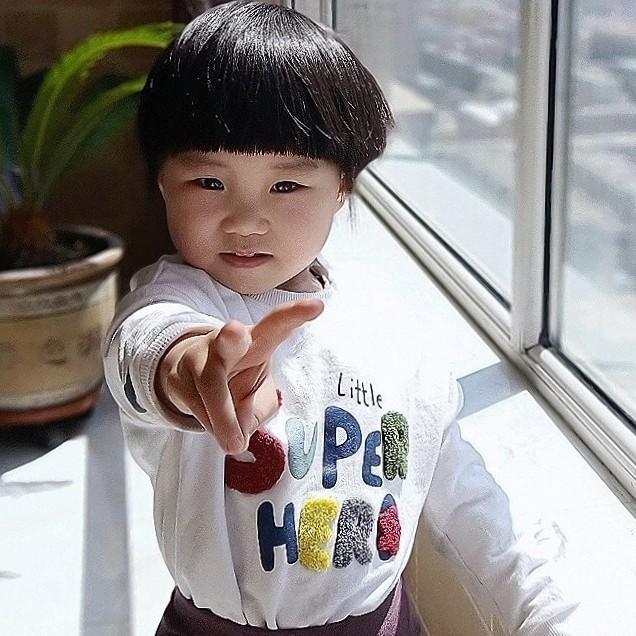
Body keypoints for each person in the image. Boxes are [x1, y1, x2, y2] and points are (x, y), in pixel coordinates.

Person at [102, 2, 594, 634]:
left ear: (342, 186)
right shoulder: (181, 302)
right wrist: (189, 368)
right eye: (209, 182)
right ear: (163, 182)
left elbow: (468, 503)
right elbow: (143, 344)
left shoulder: (391, 340)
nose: (246, 219)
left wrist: (547, 613)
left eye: (286, 185)